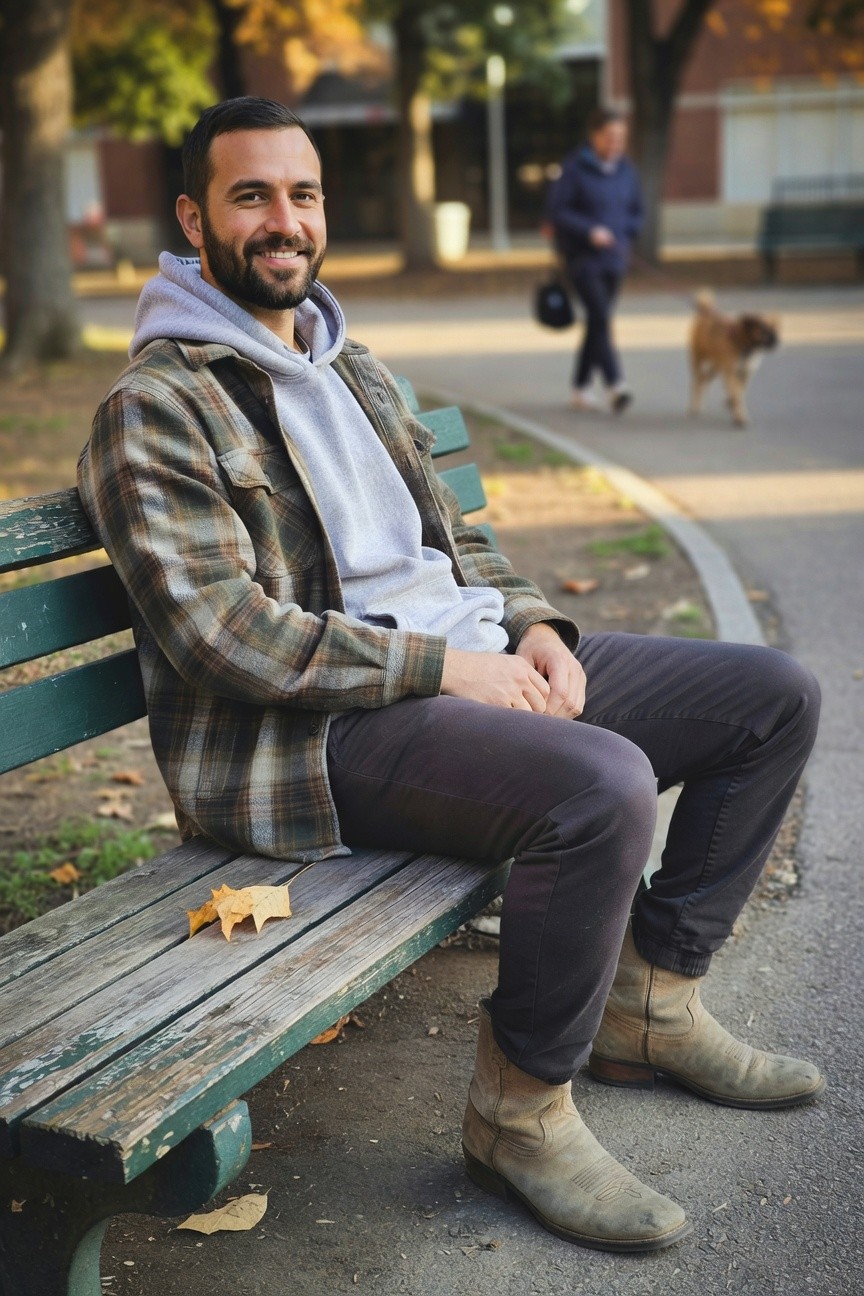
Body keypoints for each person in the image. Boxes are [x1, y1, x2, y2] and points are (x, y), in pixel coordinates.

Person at [78, 97, 824, 1256]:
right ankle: (518, 1113)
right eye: (251, 196)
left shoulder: (349, 363)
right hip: (312, 735)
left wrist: (529, 628)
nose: (285, 221)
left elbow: (456, 547)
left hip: (460, 662)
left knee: (772, 697)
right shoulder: (156, 407)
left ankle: (651, 1000)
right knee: (600, 786)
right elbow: (226, 638)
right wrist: (445, 671)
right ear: (193, 218)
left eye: (303, 194)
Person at [547, 106, 643, 413]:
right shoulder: (574, 168)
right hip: (582, 260)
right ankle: (617, 385)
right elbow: (558, 212)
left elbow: (637, 213)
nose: (616, 142)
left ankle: (580, 386)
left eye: (621, 137)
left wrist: (625, 233)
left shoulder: (627, 170)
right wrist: (590, 231)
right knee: (601, 318)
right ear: (595, 136)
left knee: (597, 323)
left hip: (615, 260)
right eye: (610, 136)